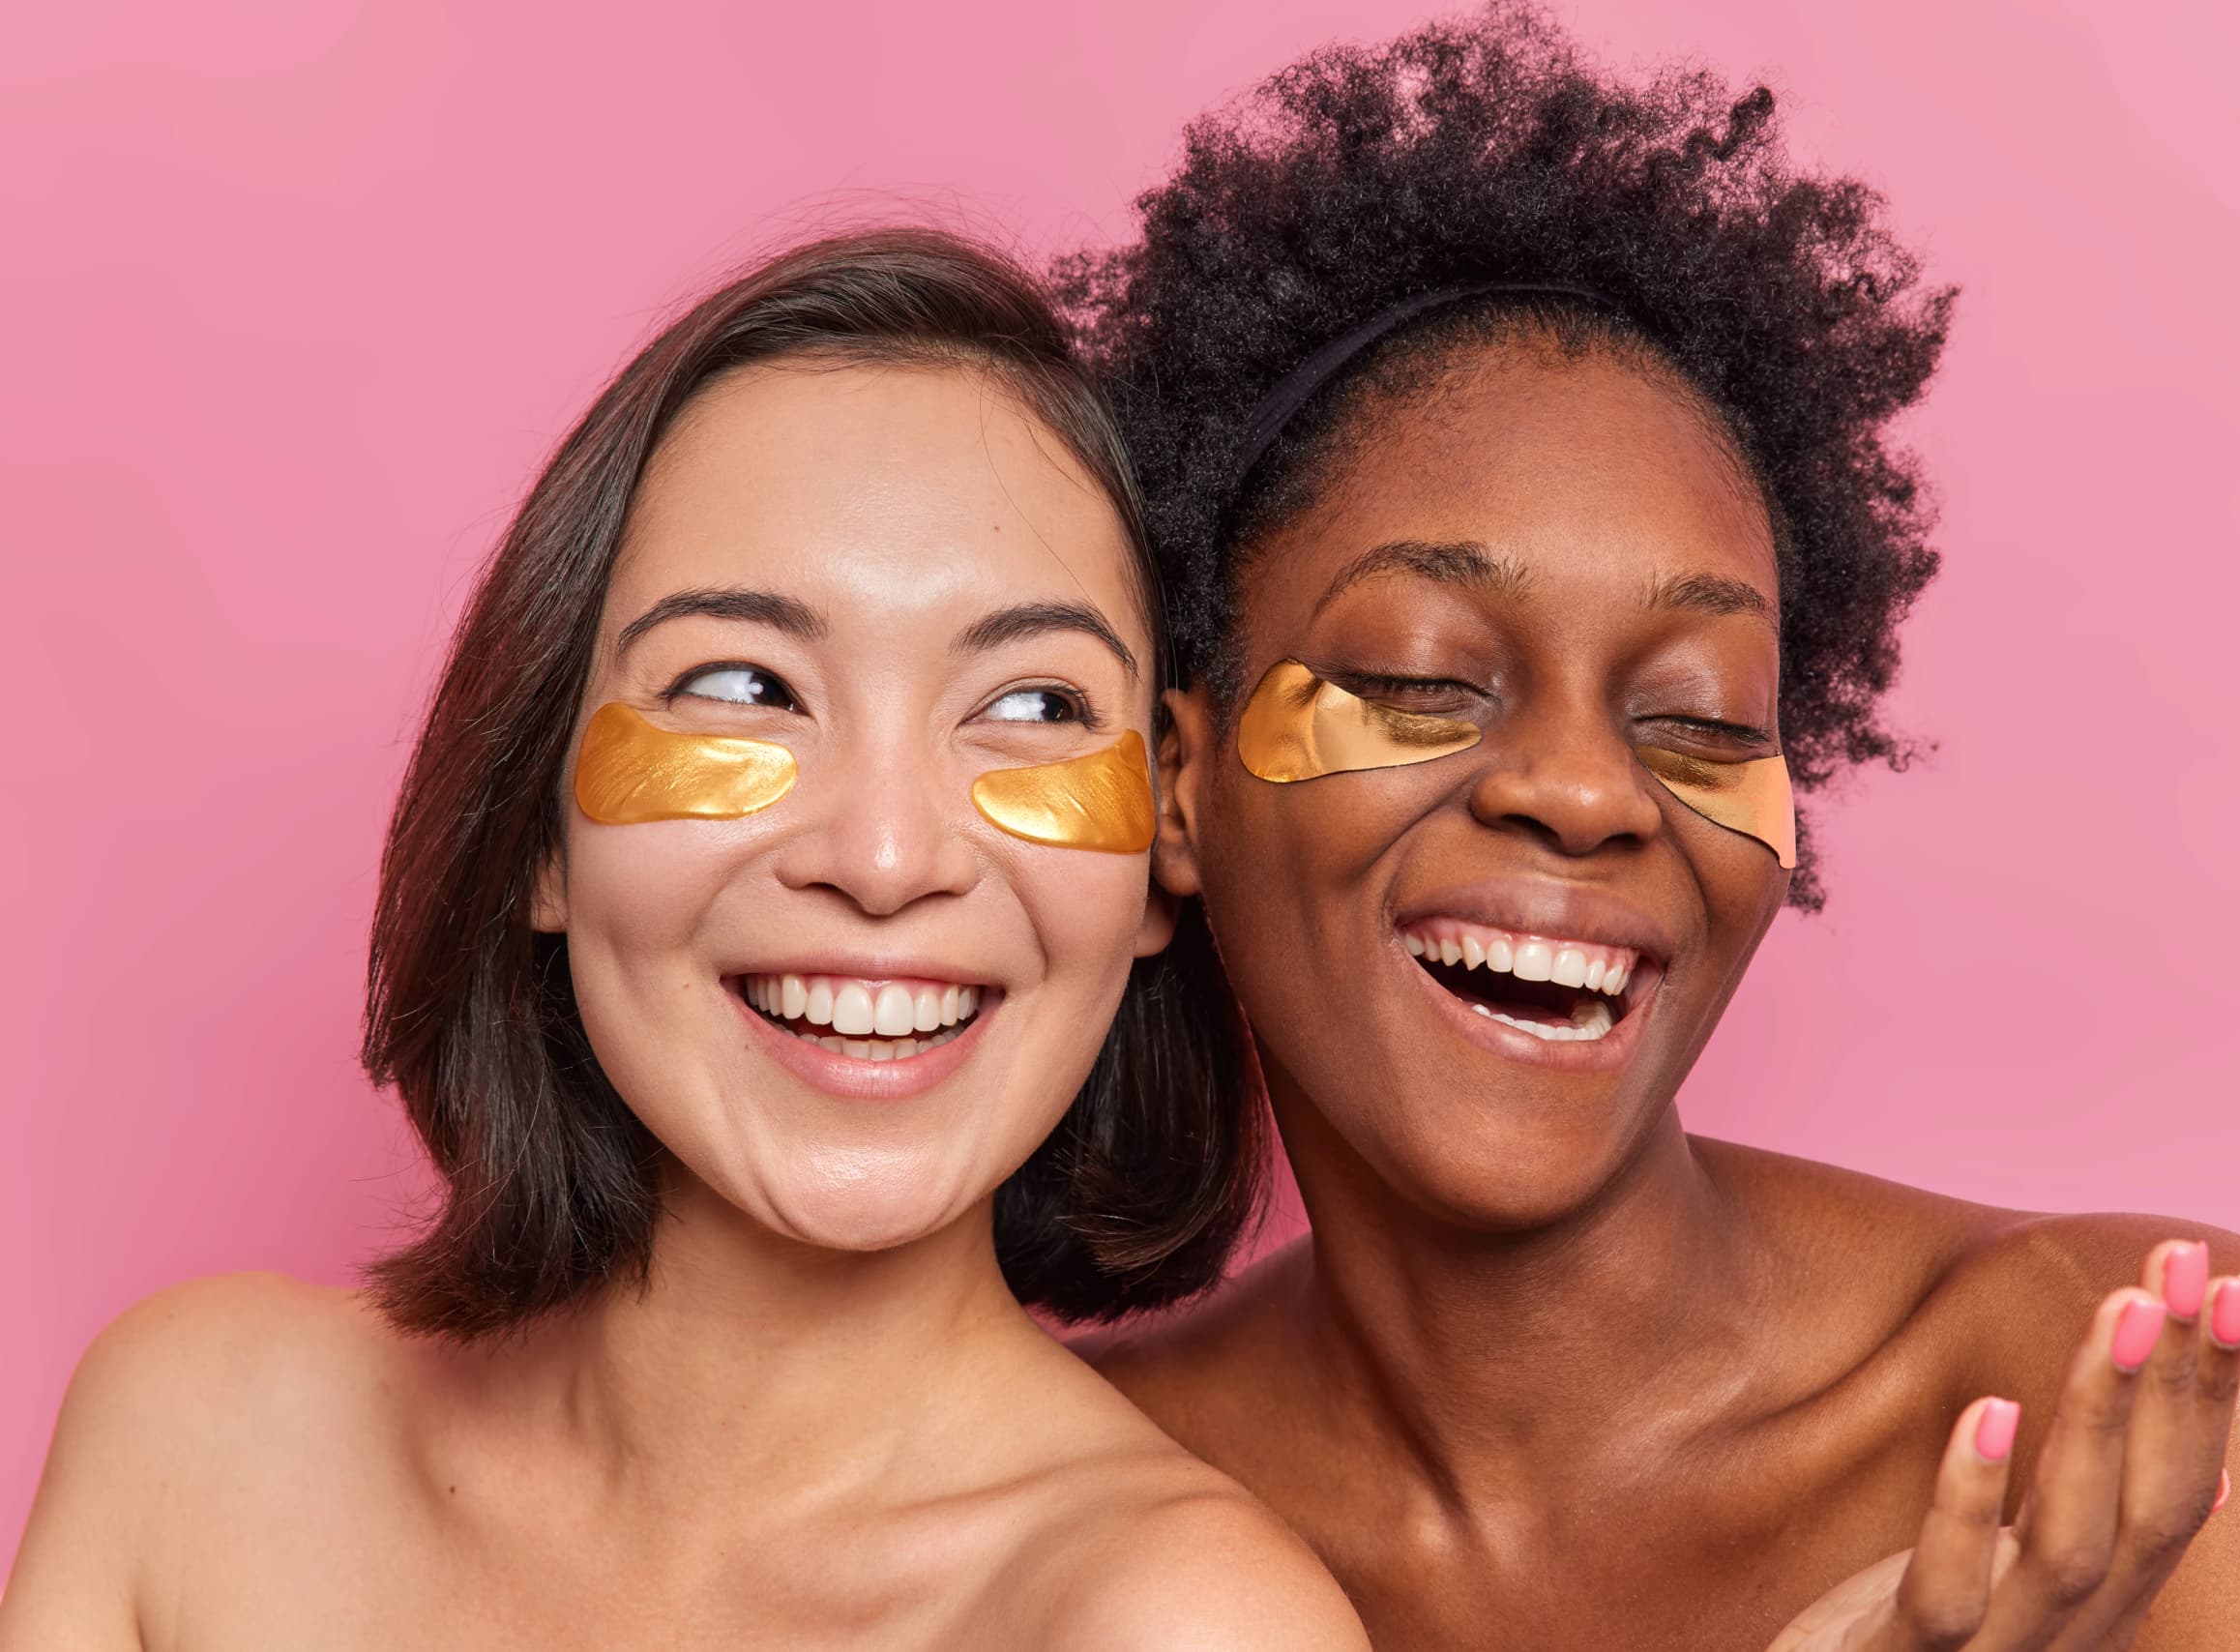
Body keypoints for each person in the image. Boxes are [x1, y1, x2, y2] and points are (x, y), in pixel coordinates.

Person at [1057, 11, 2240, 1648]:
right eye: (1427, 679)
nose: (1589, 793)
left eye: (1703, 718)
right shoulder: (1048, 1526)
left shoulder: (2150, 1428)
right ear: (1174, 786)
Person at [0, 229, 1368, 1650]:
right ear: (538, 827)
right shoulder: (194, 1445)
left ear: (1157, 847)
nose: (885, 859)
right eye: (745, 684)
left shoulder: (1175, 1624)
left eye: (1033, 708)